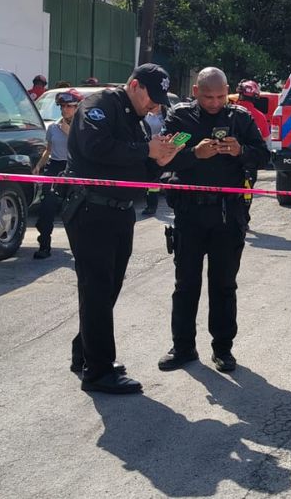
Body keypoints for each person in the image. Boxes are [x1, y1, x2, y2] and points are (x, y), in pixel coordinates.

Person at [66, 63, 182, 394]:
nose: (155, 106)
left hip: (119, 213)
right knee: (98, 288)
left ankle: (86, 354)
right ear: (134, 85)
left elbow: (137, 173)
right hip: (91, 210)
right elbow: (96, 147)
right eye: (152, 97)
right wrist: (146, 149)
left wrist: (158, 161)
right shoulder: (101, 106)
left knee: (107, 289)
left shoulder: (136, 122)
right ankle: (99, 371)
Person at [157, 67, 269, 373]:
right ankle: (183, 347)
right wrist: (195, 154)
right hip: (190, 214)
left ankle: (223, 349)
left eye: (220, 96)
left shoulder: (240, 118)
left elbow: (265, 156)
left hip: (228, 214)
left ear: (228, 91)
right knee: (186, 285)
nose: (214, 102)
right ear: (195, 91)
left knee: (223, 285)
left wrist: (241, 151)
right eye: (208, 96)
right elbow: (163, 159)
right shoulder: (180, 118)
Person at [32, 90, 81, 259]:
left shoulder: (83, 128)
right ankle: (44, 245)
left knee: (77, 210)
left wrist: (68, 130)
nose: (65, 110)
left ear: (76, 108)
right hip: (55, 167)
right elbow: (49, 150)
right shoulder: (53, 128)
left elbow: (83, 147)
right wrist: (39, 165)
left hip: (75, 167)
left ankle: (81, 249)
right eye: (62, 106)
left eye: (69, 106)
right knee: (47, 207)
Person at [141, 107, 165, 216]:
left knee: (153, 183)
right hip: (148, 148)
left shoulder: (164, 117)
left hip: (158, 149)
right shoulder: (146, 117)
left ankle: (152, 206)